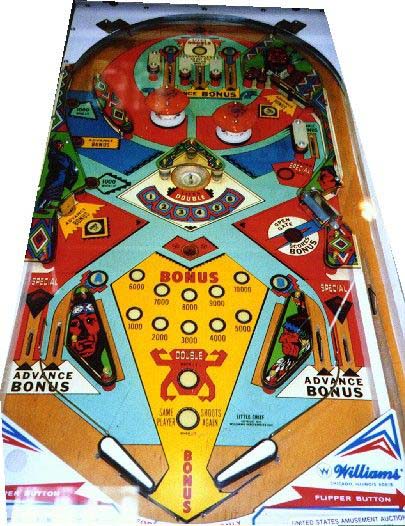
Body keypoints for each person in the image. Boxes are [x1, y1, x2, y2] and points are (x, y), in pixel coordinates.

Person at [35, 139, 78, 212]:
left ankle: (46, 205)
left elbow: (70, 164)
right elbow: (55, 160)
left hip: (62, 177)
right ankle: (39, 208)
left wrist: (73, 171)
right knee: (48, 191)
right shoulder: (53, 153)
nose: (59, 146)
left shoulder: (63, 155)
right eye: (57, 144)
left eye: (60, 145)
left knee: (56, 192)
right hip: (55, 175)